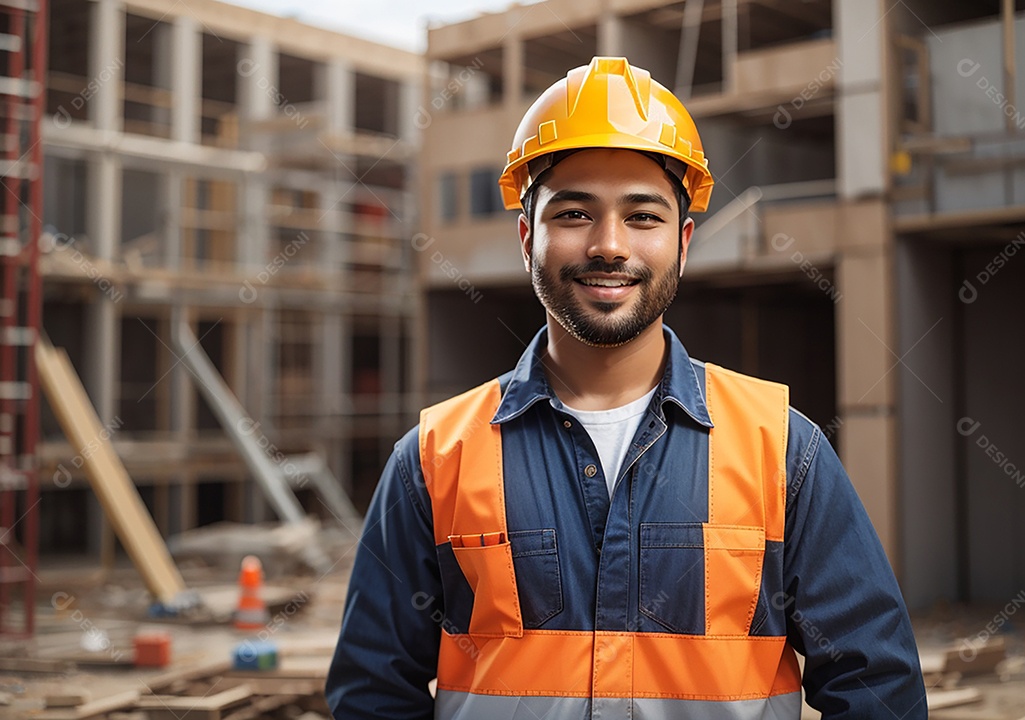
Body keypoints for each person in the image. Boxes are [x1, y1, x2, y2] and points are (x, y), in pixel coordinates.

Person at [326, 56, 927, 720]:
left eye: (643, 216)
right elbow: (373, 696)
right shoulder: (433, 460)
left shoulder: (785, 450)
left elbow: (876, 689)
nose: (609, 245)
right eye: (575, 213)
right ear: (528, 237)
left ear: (684, 241)